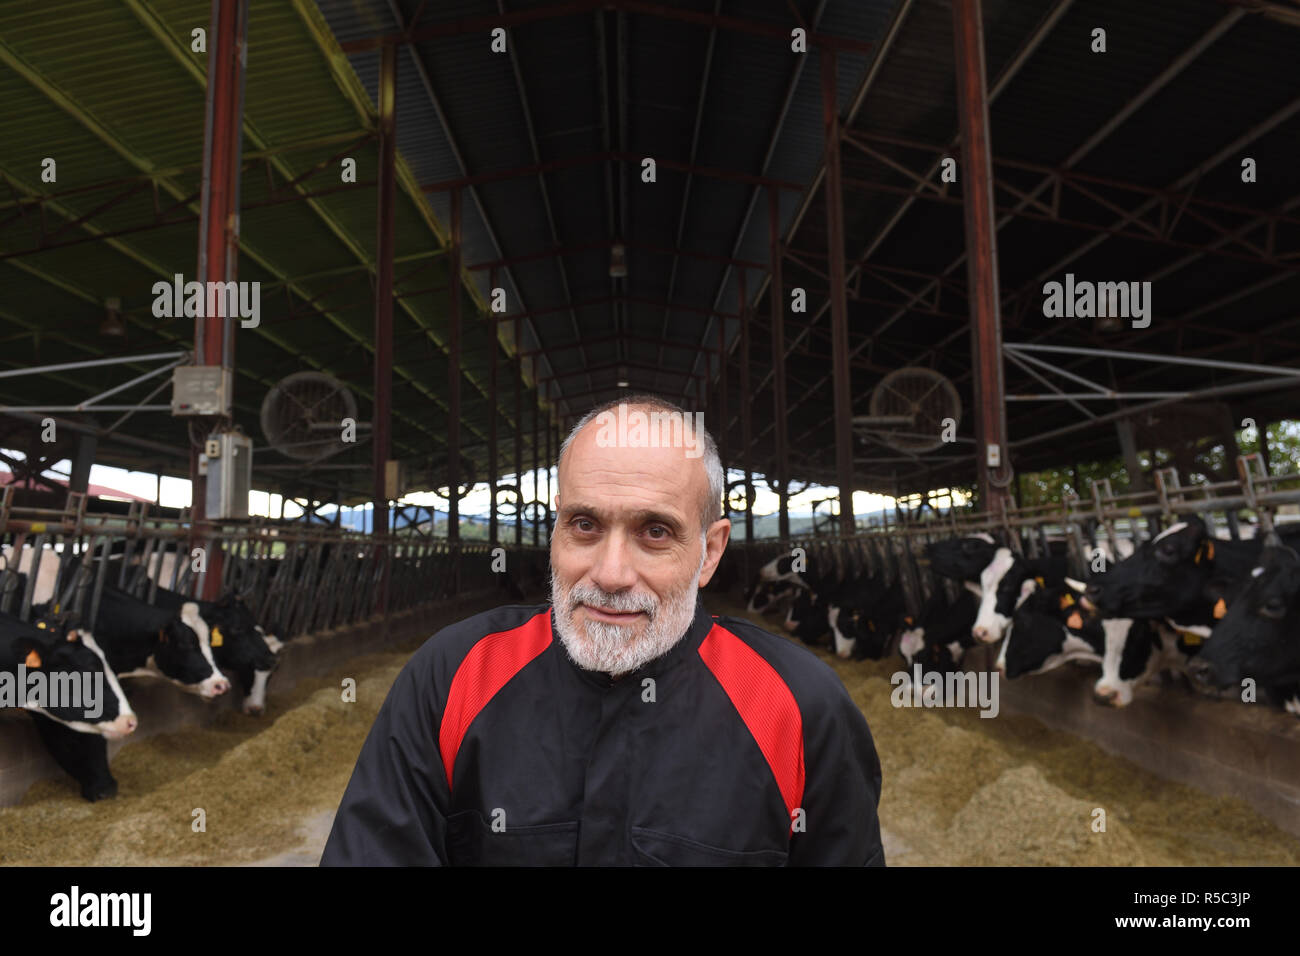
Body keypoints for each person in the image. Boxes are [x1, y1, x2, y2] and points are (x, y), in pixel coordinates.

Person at [320, 394, 884, 866]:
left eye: (655, 532)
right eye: (585, 525)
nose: (611, 574)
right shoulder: (454, 677)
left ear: (710, 552)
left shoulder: (797, 708)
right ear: (556, 528)